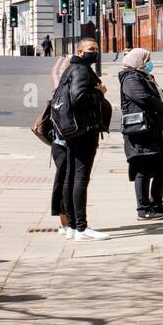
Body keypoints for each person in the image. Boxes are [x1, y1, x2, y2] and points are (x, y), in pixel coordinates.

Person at [57, 37, 111, 240]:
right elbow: (78, 97)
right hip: (83, 130)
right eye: (90, 49)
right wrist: (99, 93)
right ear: (80, 52)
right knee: (80, 177)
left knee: (71, 177)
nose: (94, 52)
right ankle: (81, 227)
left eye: (96, 48)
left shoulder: (72, 68)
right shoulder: (81, 70)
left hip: (72, 130)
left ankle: (72, 226)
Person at [119, 47, 163, 220]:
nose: (150, 63)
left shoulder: (145, 77)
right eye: (147, 59)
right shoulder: (130, 78)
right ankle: (143, 209)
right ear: (138, 60)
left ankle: (156, 203)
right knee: (142, 169)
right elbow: (142, 98)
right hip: (140, 132)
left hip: (154, 130)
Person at [48, 54, 71, 237]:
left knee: (65, 180)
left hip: (61, 142)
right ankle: (66, 222)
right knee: (65, 180)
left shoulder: (62, 87)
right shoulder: (64, 89)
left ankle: (68, 221)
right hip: (64, 142)